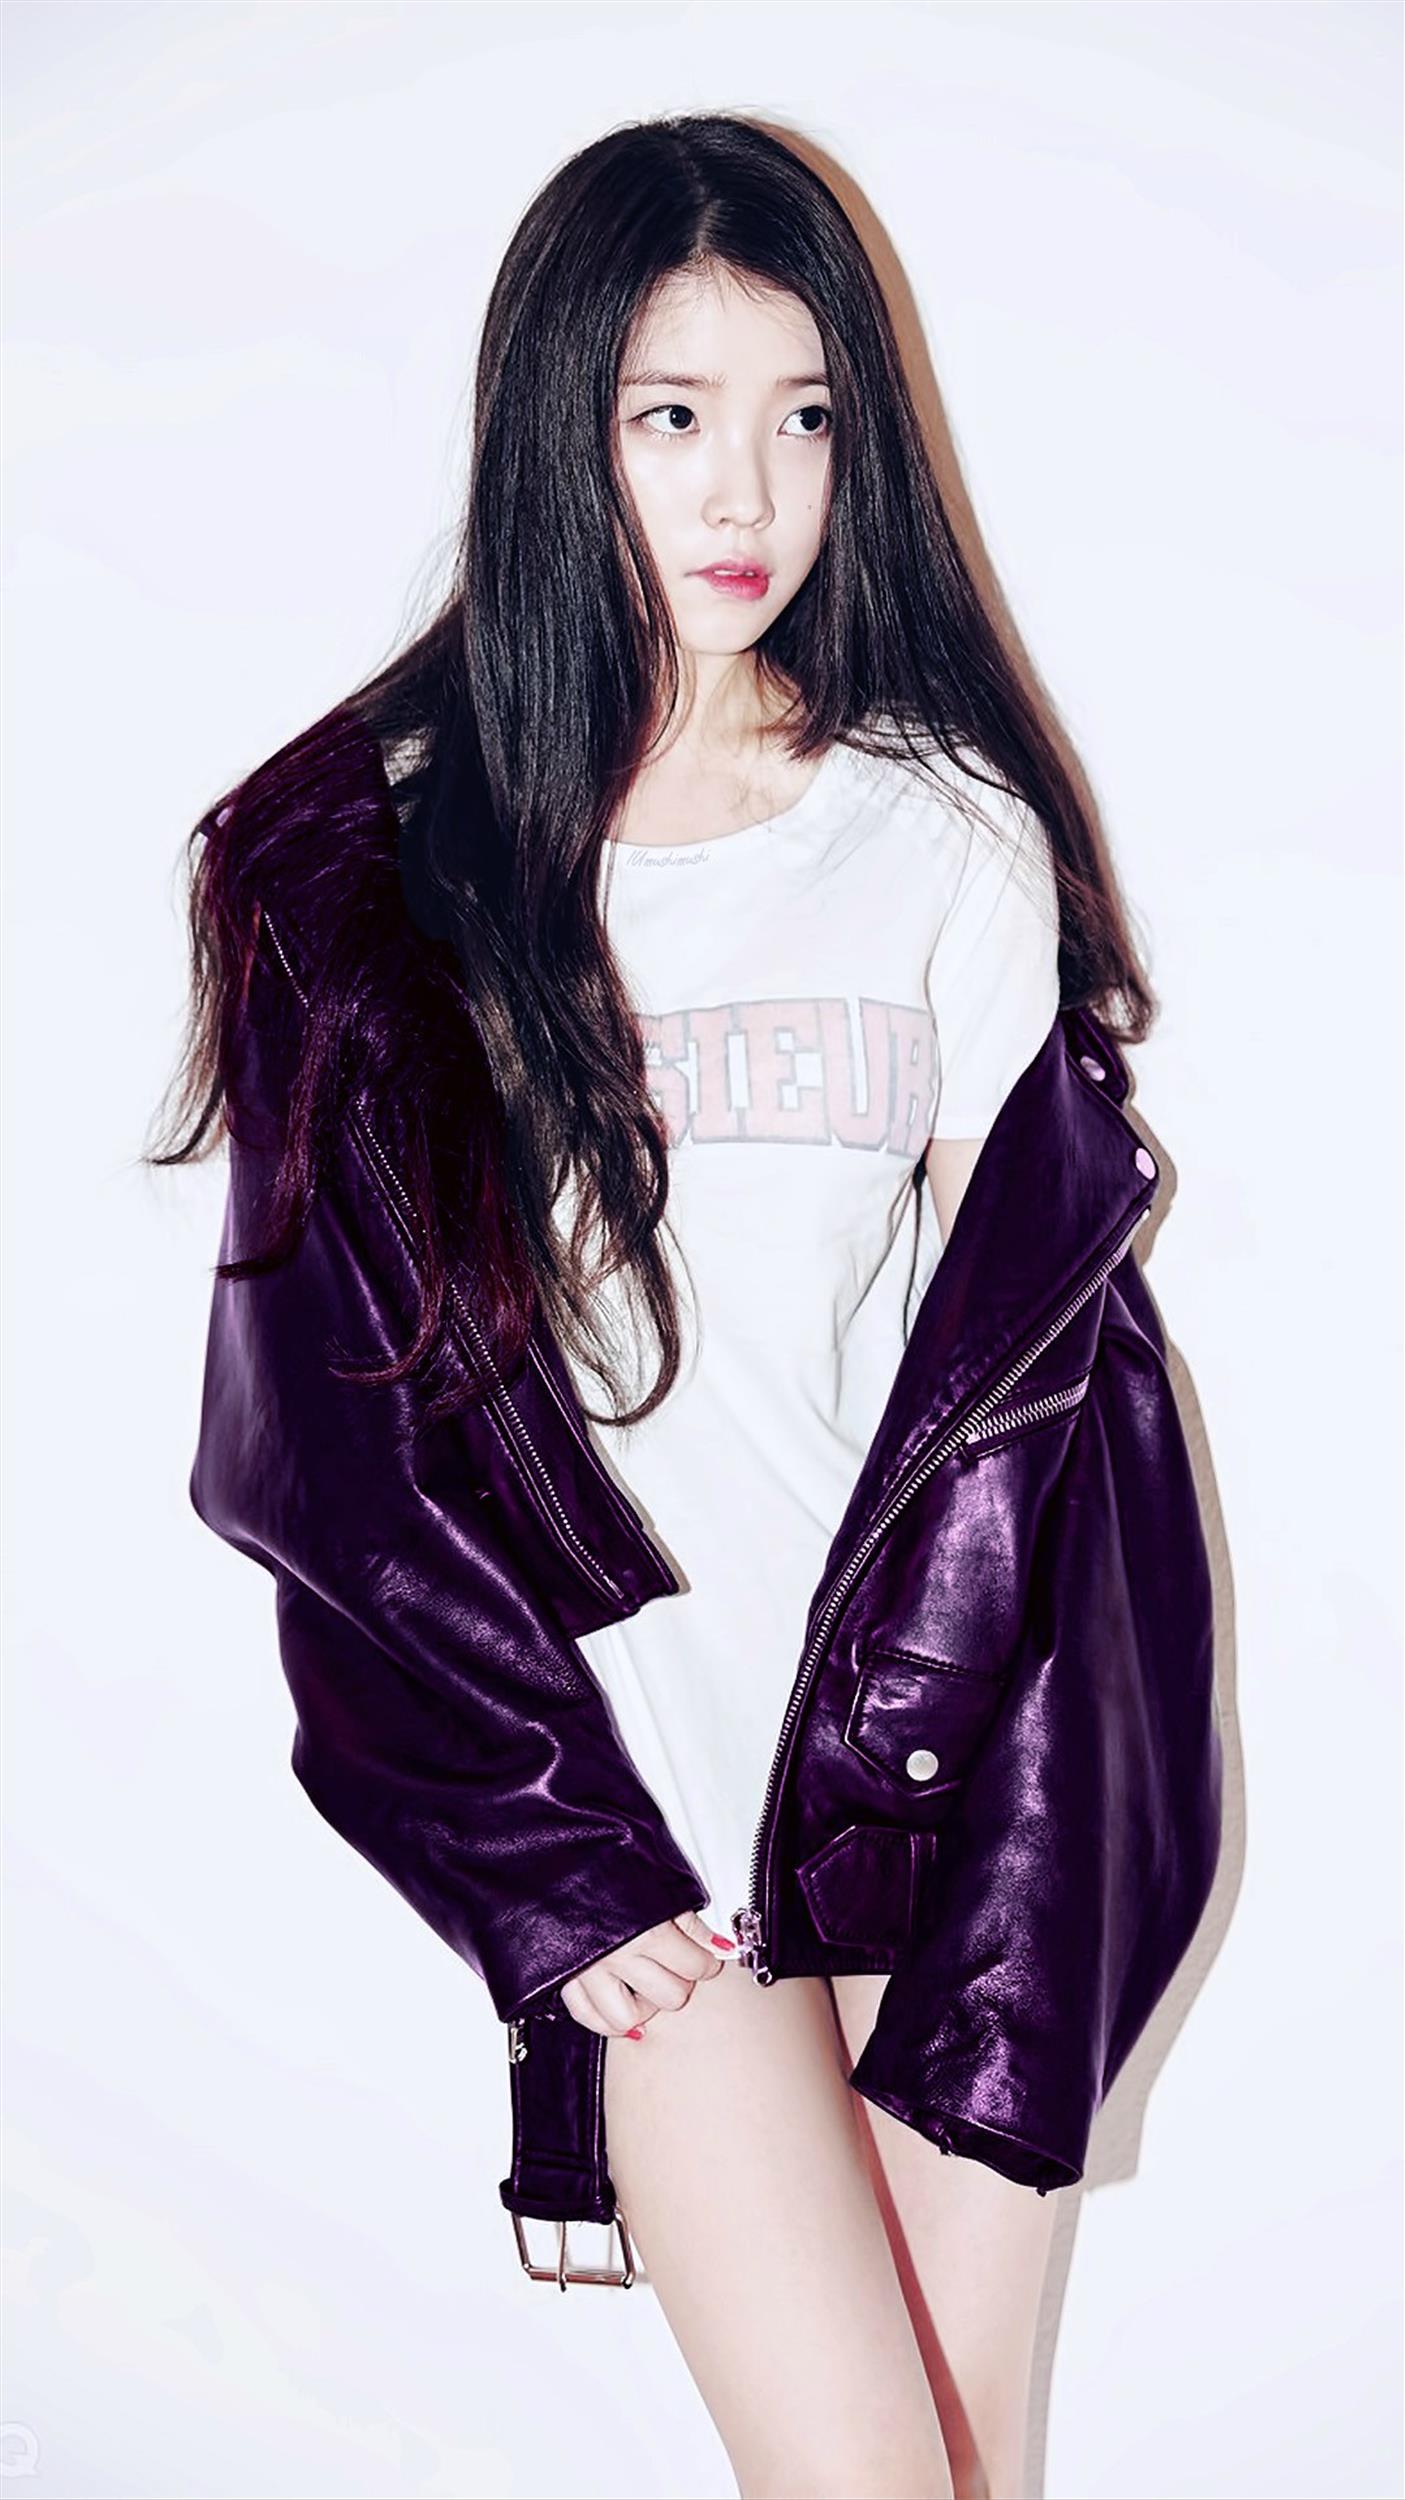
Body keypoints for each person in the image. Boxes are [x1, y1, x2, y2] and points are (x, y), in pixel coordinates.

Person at [149, 113, 1206, 2500]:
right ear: (561, 427)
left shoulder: (940, 834)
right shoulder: (367, 869)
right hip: (643, 1815)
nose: (749, 488)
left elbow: (1051, 1401)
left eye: (806, 414)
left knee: (967, 2476)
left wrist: (1063, 1854)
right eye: (672, 412)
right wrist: (545, 1857)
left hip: (930, 1798)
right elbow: (318, 1462)